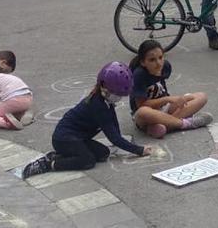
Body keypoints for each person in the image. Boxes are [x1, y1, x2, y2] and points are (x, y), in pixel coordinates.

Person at [14, 62, 154, 179]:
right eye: (117, 94)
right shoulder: (98, 105)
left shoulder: (104, 99)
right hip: (64, 138)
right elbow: (114, 138)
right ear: (105, 88)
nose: (119, 98)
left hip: (78, 137)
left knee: (103, 153)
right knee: (87, 161)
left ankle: (63, 155)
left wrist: (124, 140)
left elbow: (113, 121)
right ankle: (49, 163)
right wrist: (139, 150)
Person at [129, 40, 211, 138]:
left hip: (165, 108)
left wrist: (173, 101)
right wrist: (168, 99)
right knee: (143, 112)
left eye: (160, 57)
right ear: (143, 62)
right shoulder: (139, 74)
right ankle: (185, 124)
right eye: (152, 60)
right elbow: (141, 105)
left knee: (201, 96)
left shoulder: (165, 66)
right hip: (147, 114)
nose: (158, 63)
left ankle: (166, 124)